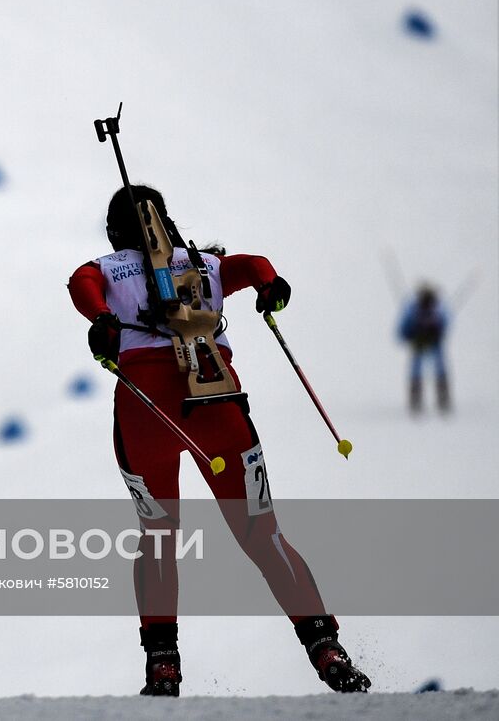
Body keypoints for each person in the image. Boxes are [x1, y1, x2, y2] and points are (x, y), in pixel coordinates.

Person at [66, 184, 370, 697]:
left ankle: (162, 666)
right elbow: (254, 264)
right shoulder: (205, 263)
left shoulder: (107, 266)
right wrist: (270, 285)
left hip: (147, 414)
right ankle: (326, 648)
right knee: (263, 536)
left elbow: (82, 282)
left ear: (117, 233)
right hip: (220, 409)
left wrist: (101, 319)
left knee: (158, 538)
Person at [398, 284, 449, 413]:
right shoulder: (415, 310)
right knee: (419, 368)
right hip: (421, 342)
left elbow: (444, 324)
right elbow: (404, 328)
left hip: (430, 342)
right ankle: (418, 398)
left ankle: (441, 397)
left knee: (437, 367)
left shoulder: (434, 311)